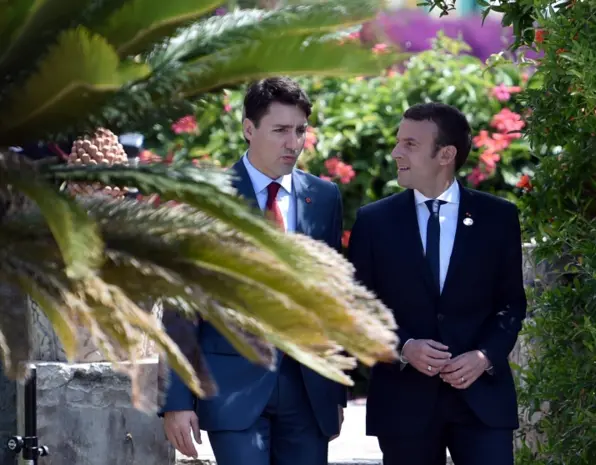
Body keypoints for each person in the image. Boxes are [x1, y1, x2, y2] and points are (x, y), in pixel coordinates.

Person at [159, 77, 346, 465]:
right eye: (280, 130)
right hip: (232, 389)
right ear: (248, 129)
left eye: (300, 131)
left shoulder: (324, 198)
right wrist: (177, 400)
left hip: (309, 392)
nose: (293, 142)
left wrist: (335, 391)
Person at [348, 102, 527, 465]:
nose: (396, 152)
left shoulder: (499, 217)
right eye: (398, 142)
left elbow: (511, 304)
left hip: (481, 402)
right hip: (403, 405)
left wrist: (484, 356)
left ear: (446, 154)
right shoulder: (373, 221)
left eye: (410, 144)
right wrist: (403, 347)